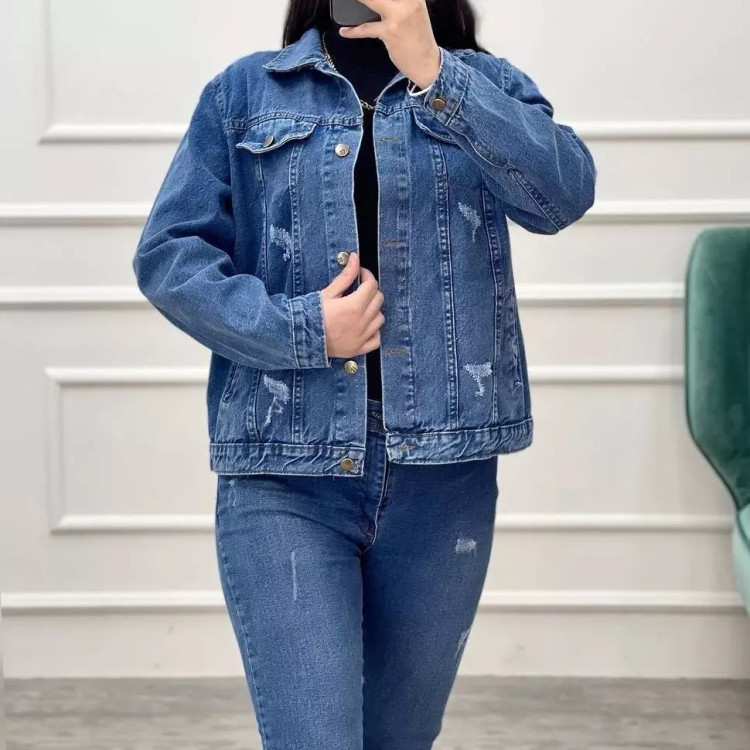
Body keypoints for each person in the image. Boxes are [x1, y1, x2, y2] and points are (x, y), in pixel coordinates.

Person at [132, 0, 597, 747]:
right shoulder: (244, 93)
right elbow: (169, 258)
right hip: (286, 473)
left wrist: (436, 73)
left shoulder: (486, 83)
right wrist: (304, 329)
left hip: (444, 479)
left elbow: (563, 195)